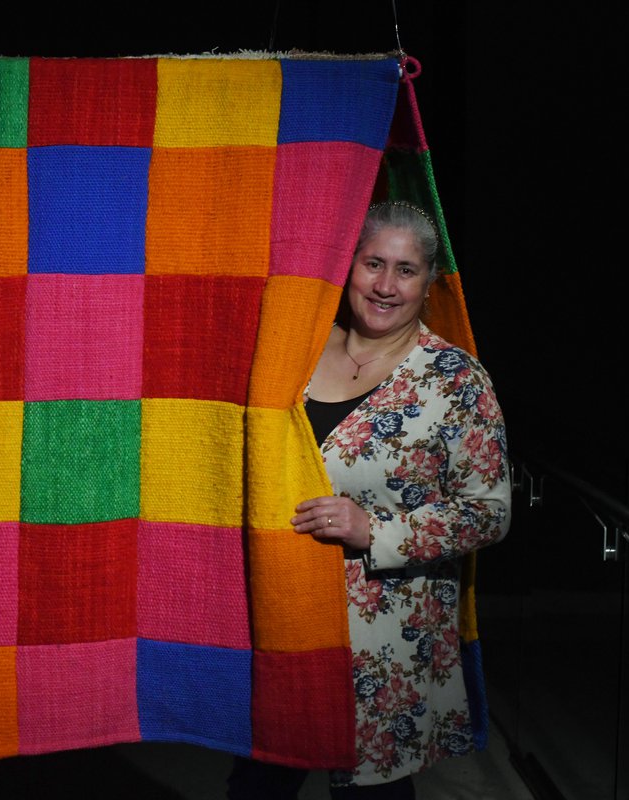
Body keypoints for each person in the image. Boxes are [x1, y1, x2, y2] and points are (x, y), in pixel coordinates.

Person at [228, 202, 511, 799]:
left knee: (370, 792)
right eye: (373, 264)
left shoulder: (455, 380)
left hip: (384, 636)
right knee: (258, 781)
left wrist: (377, 531)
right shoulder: (295, 355)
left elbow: (489, 511)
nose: (385, 285)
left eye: (405, 270)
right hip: (281, 616)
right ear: (347, 268)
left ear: (428, 283)